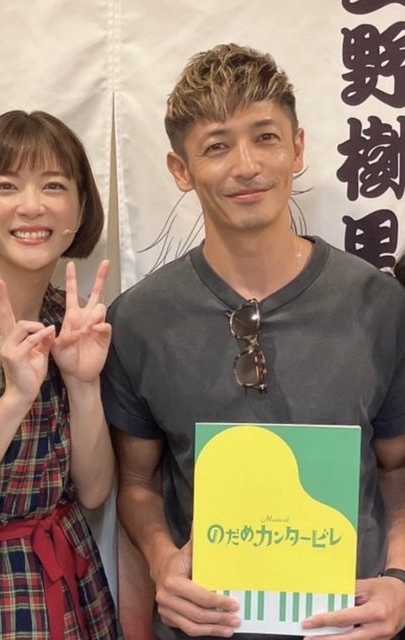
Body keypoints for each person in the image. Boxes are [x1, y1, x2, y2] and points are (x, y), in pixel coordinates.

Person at [101, 43, 405, 640]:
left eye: (265, 138)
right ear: (180, 170)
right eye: (217, 146)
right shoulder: (139, 320)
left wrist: (399, 579)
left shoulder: (381, 306)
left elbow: (398, 469)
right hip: (206, 626)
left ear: (297, 148)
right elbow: (136, 483)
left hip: (351, 626)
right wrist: (162, 561)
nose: (246, 166)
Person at [0, 110, 122, 639]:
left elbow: (95, 493)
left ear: (80, 210)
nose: (32, 206)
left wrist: (82, 382)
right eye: (6, 186)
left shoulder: (71, 319)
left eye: (54, 185)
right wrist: (14, 398)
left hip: (73, 578)